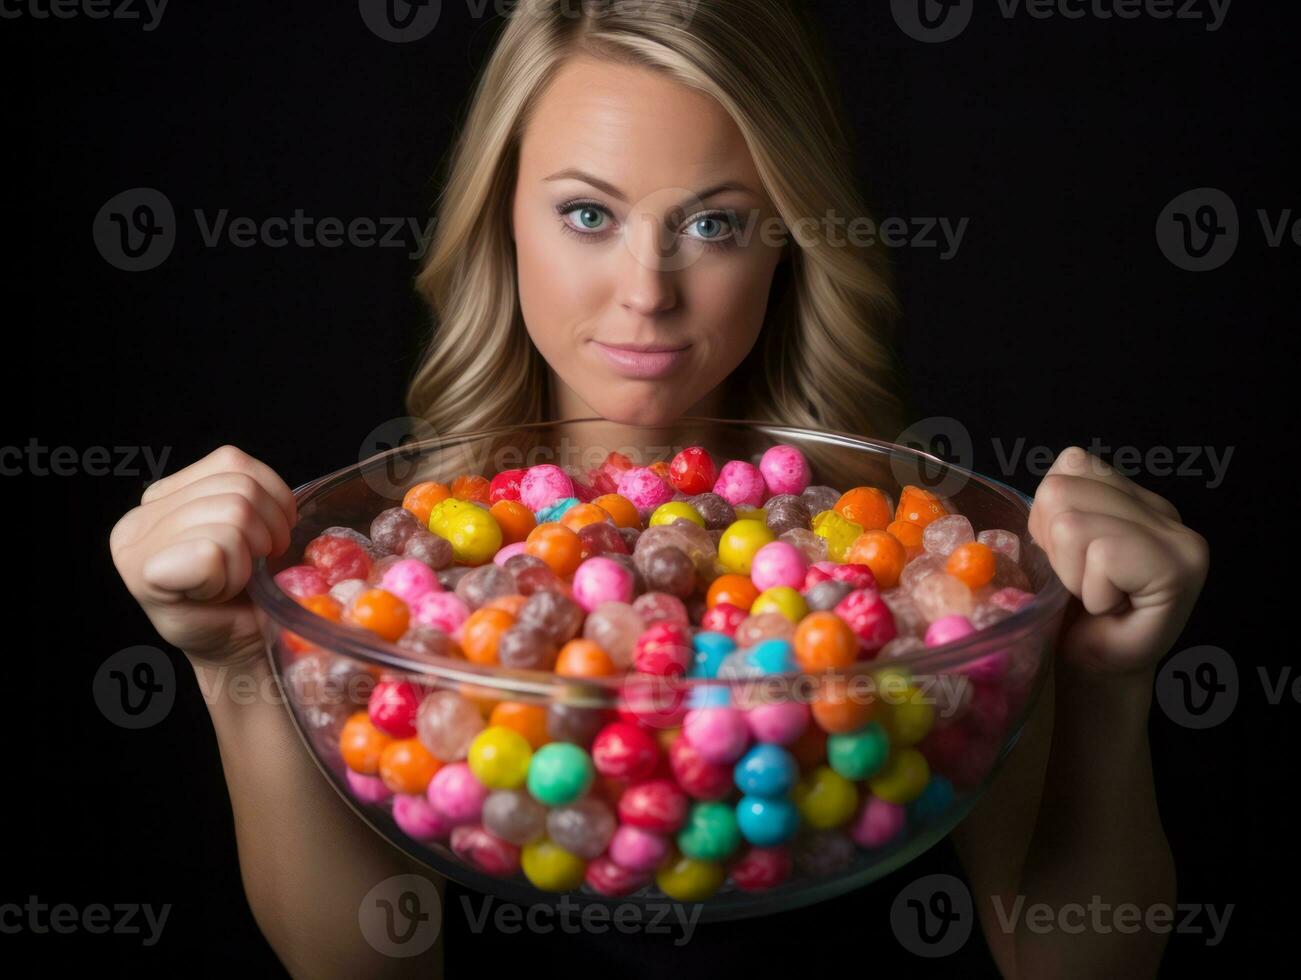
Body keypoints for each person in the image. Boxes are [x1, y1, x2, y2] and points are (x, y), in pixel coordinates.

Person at [109, 2, 1208, 976]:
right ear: (500, 216)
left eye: (713, 222)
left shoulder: (927, 580)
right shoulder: (398, 574)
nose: (646, 291)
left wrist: (1109, 688)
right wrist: (234, 661)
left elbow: (1074, 959)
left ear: (789, 237)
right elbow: (361, 962)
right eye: (587, 212)